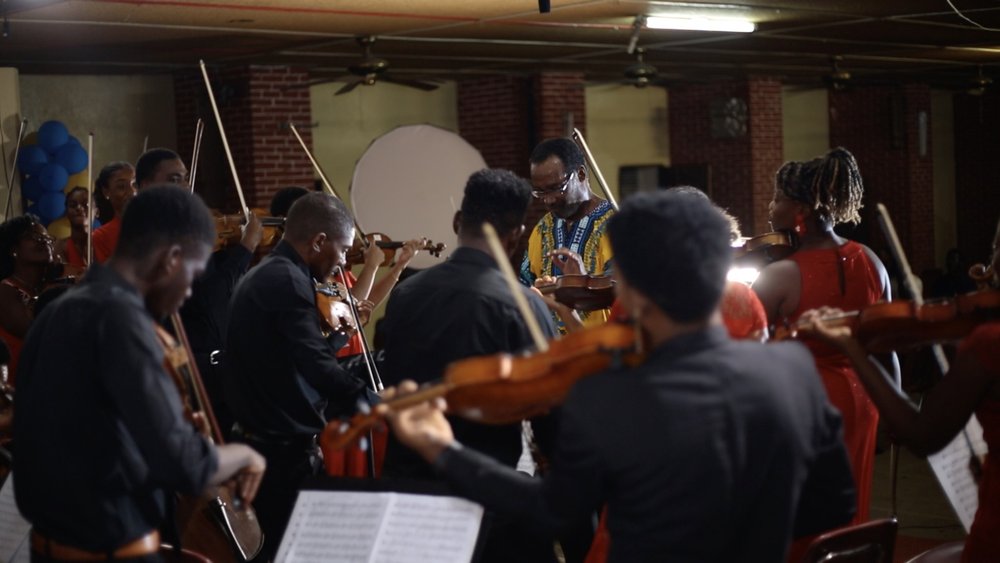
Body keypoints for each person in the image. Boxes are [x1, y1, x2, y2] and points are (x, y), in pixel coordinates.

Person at [385, 190, 856, 562]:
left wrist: (440, 448)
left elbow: (552, 510)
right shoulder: (794, 372)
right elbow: (834, 504)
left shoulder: (611, 398)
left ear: (632, 288)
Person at [13, 186, 265, 562]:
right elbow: (185, 466)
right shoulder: (124, 323)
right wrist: (245, 455)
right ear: (172, 258)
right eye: (193, 274)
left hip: (49, 548)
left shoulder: (56, 312)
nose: (188, 292)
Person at [379, 168, 559, 563]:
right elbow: (552, 422)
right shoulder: (523, 307)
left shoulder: (404, 296)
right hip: (483, 500)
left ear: (458, 222)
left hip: (410, 496)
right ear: (516, 237)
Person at [803, 216, 1000, 563]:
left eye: (995, 250)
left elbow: (922, 436)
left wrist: (853, 348)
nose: (984, 266)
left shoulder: (989, 342)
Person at [224, 191, 374, 561]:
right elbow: (317, 367)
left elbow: (291, 357)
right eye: (342, 250)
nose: (342, 263)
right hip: (279, 456)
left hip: (265, 445)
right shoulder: (288, 281)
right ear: (319, 240)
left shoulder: (273, 273)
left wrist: (340, 337)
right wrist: (376, 405)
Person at [752, 147, 889, 533]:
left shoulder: (780, 274)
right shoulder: (871, 260)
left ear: (802, 211)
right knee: (846, 510)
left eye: (779, 198)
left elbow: (746, 348)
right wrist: (890, 414)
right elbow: (884, 345)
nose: (770, 206)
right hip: (863, 398)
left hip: (806, 404)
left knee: (801, 518)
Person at [519, 138, 615, 330]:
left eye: (556, 188)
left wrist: (580, 283)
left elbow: (623, 294)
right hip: (555, 351)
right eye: (540, 192)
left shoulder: (617, 226)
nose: (548, 200)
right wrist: (537, 292)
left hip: (605, 350)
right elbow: (525, 285)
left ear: (580, 174)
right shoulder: (542, 229)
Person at [0, 214, 55, 385]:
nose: (44, 241)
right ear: (13, 249)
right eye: (33, 237)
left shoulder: (45, 287)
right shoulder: (5, 290)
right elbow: (37, 334)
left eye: (47, 237)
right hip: (15, 391)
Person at [91, 161, 136, 263]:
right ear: (106, 192)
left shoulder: (153, 227)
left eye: (134, 184)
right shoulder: (100, 237)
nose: (132, 192)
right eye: (121, 186)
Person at [54, 187, 91, 271]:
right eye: (73, 205)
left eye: (86, 204)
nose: (79, 208)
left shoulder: (104, 241)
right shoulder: (59, 246)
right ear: (66, 212)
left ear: (96, 211)